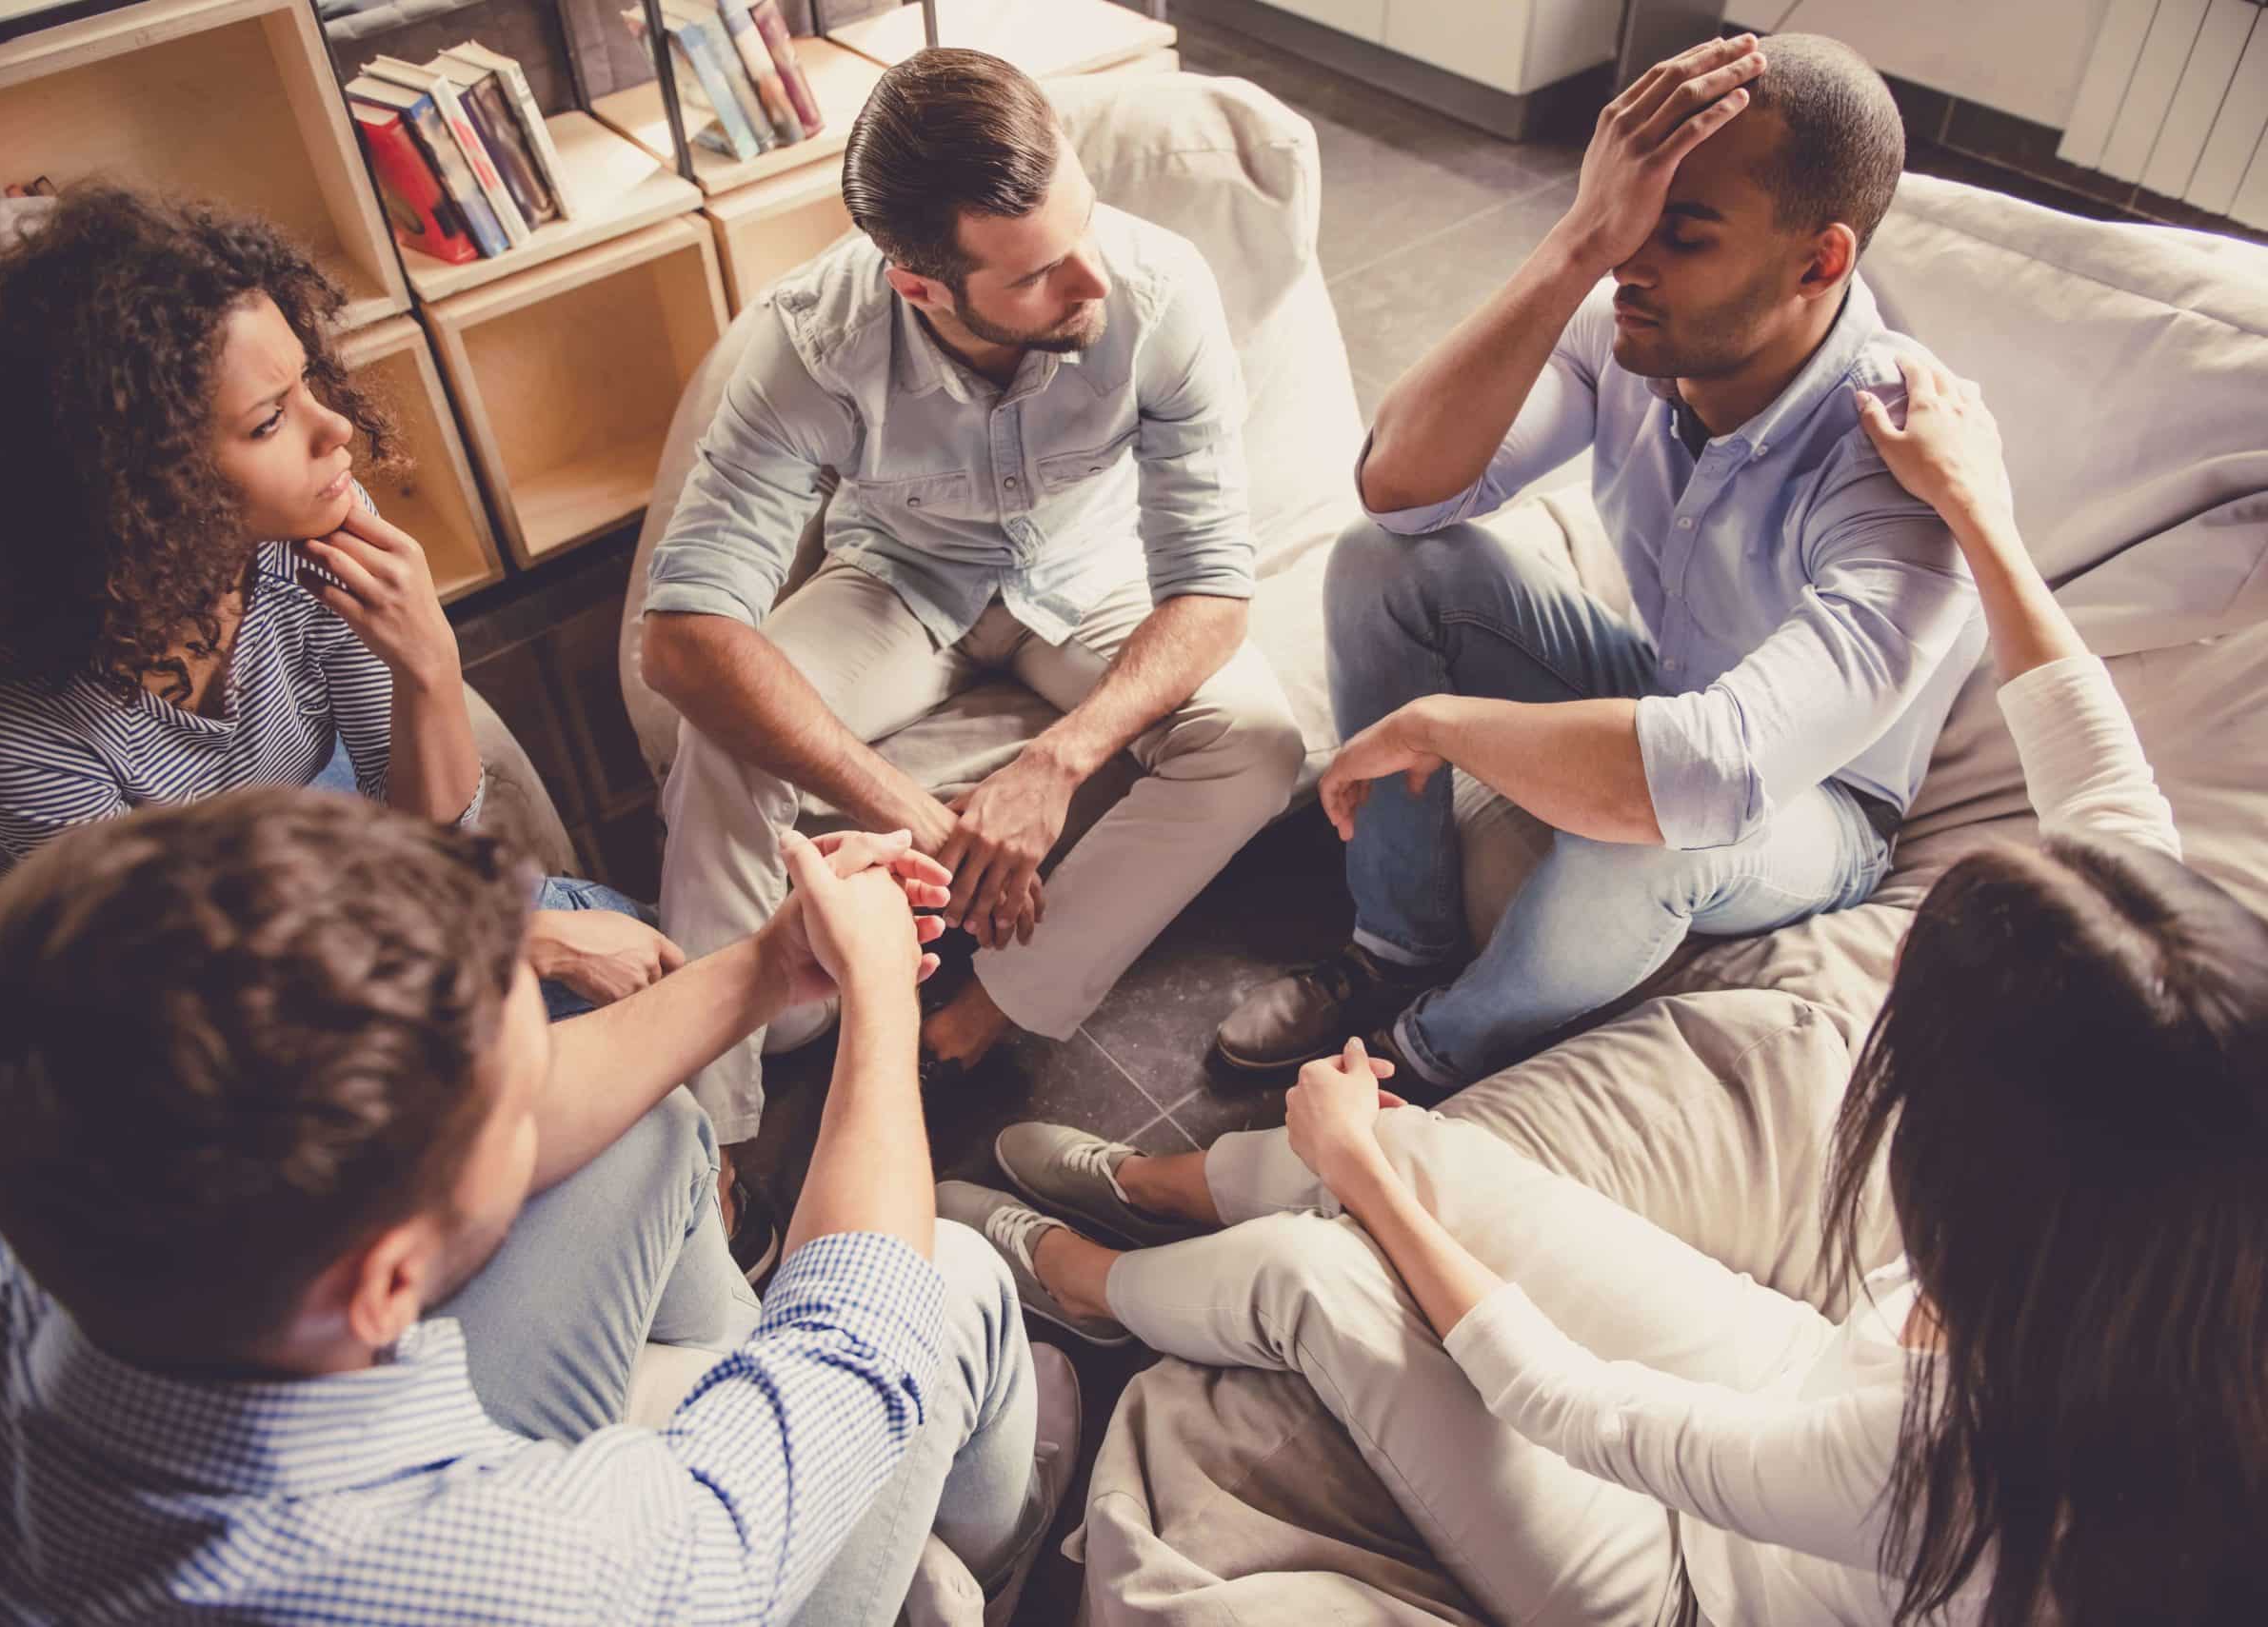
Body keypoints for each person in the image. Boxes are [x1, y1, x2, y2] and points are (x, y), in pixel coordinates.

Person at [945, 354, 2268, 1625]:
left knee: (1316, 1272)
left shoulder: (1977, 1476)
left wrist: (1365, 1190)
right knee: (1419, 1150)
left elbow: (1583, 1411)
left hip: (1689, 1573)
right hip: (1798, 1371)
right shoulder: (2187, 1171)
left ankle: (1083, 1280)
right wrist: (1979, 509)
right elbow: (2107, 795)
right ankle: (1156, 1188)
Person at [0, 790, 1083, 1626]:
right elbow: (857, 1332)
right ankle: (991, 1541)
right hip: (597, 1562)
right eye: (515, 1098)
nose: (545, 1077)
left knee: (648, 1133)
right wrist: (879, 998)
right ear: (385, 1282)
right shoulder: (513, 1569)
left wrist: (766, 966)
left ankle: (773, 1432)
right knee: (956, 1286)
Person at [0, 186, 781, 1269]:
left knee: (655, 995)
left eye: (307, 381)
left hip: (379, 902)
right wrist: (524, 938)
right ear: (130, 486)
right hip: (205, 1016)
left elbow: (431, 851)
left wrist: (428, 667)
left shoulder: (300, 546)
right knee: (586, 1068)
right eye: (270, 421)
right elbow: (196, 985)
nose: (336, 429)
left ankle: (706, 1218)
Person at [1218, 34, 1987, 1093]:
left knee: (1653, 831)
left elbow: (1712, 773)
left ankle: (1427, 1058)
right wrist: (1579, 236)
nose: (1632, 261)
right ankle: (1395, 948)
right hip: (1665, 685)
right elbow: (1399, 490)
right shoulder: (1629, 317)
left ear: (1818, 263)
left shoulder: (1901, 460)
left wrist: (1442, 725)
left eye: (1683, 233)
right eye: (1627, 215)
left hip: (1818, 799)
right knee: (1383, 564)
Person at [639, 50, 1303, 1162]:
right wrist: (920, 814)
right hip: (897, 582)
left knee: (1257, 742)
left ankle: (990, 1005)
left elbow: (1211, 586)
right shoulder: (809, 346)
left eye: (1084, 225)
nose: (1092, 279)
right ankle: (710, 1141)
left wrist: (1056, 762)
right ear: (922, 288)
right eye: (1038, 274)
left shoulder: (1157, 289)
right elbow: (682, 639)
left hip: (1093, 576)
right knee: (717, 733)